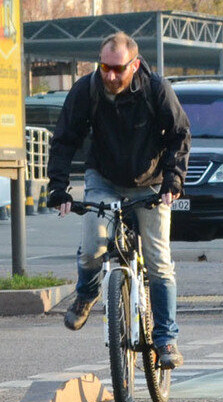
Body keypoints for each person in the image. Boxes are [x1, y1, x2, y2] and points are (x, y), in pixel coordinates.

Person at [46, 32, 191, 368]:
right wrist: (59, 188)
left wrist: (174, 180)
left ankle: (166, 340)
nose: (110, 76)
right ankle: (86, 295)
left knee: (158, 261)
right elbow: (65, 138)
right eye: (104, 67)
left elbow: (180, 136)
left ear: (134, 64)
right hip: (104, 178)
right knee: (93, 245)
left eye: (118, 69)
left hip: (151, 183)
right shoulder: (88, 89)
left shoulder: (156, 90)